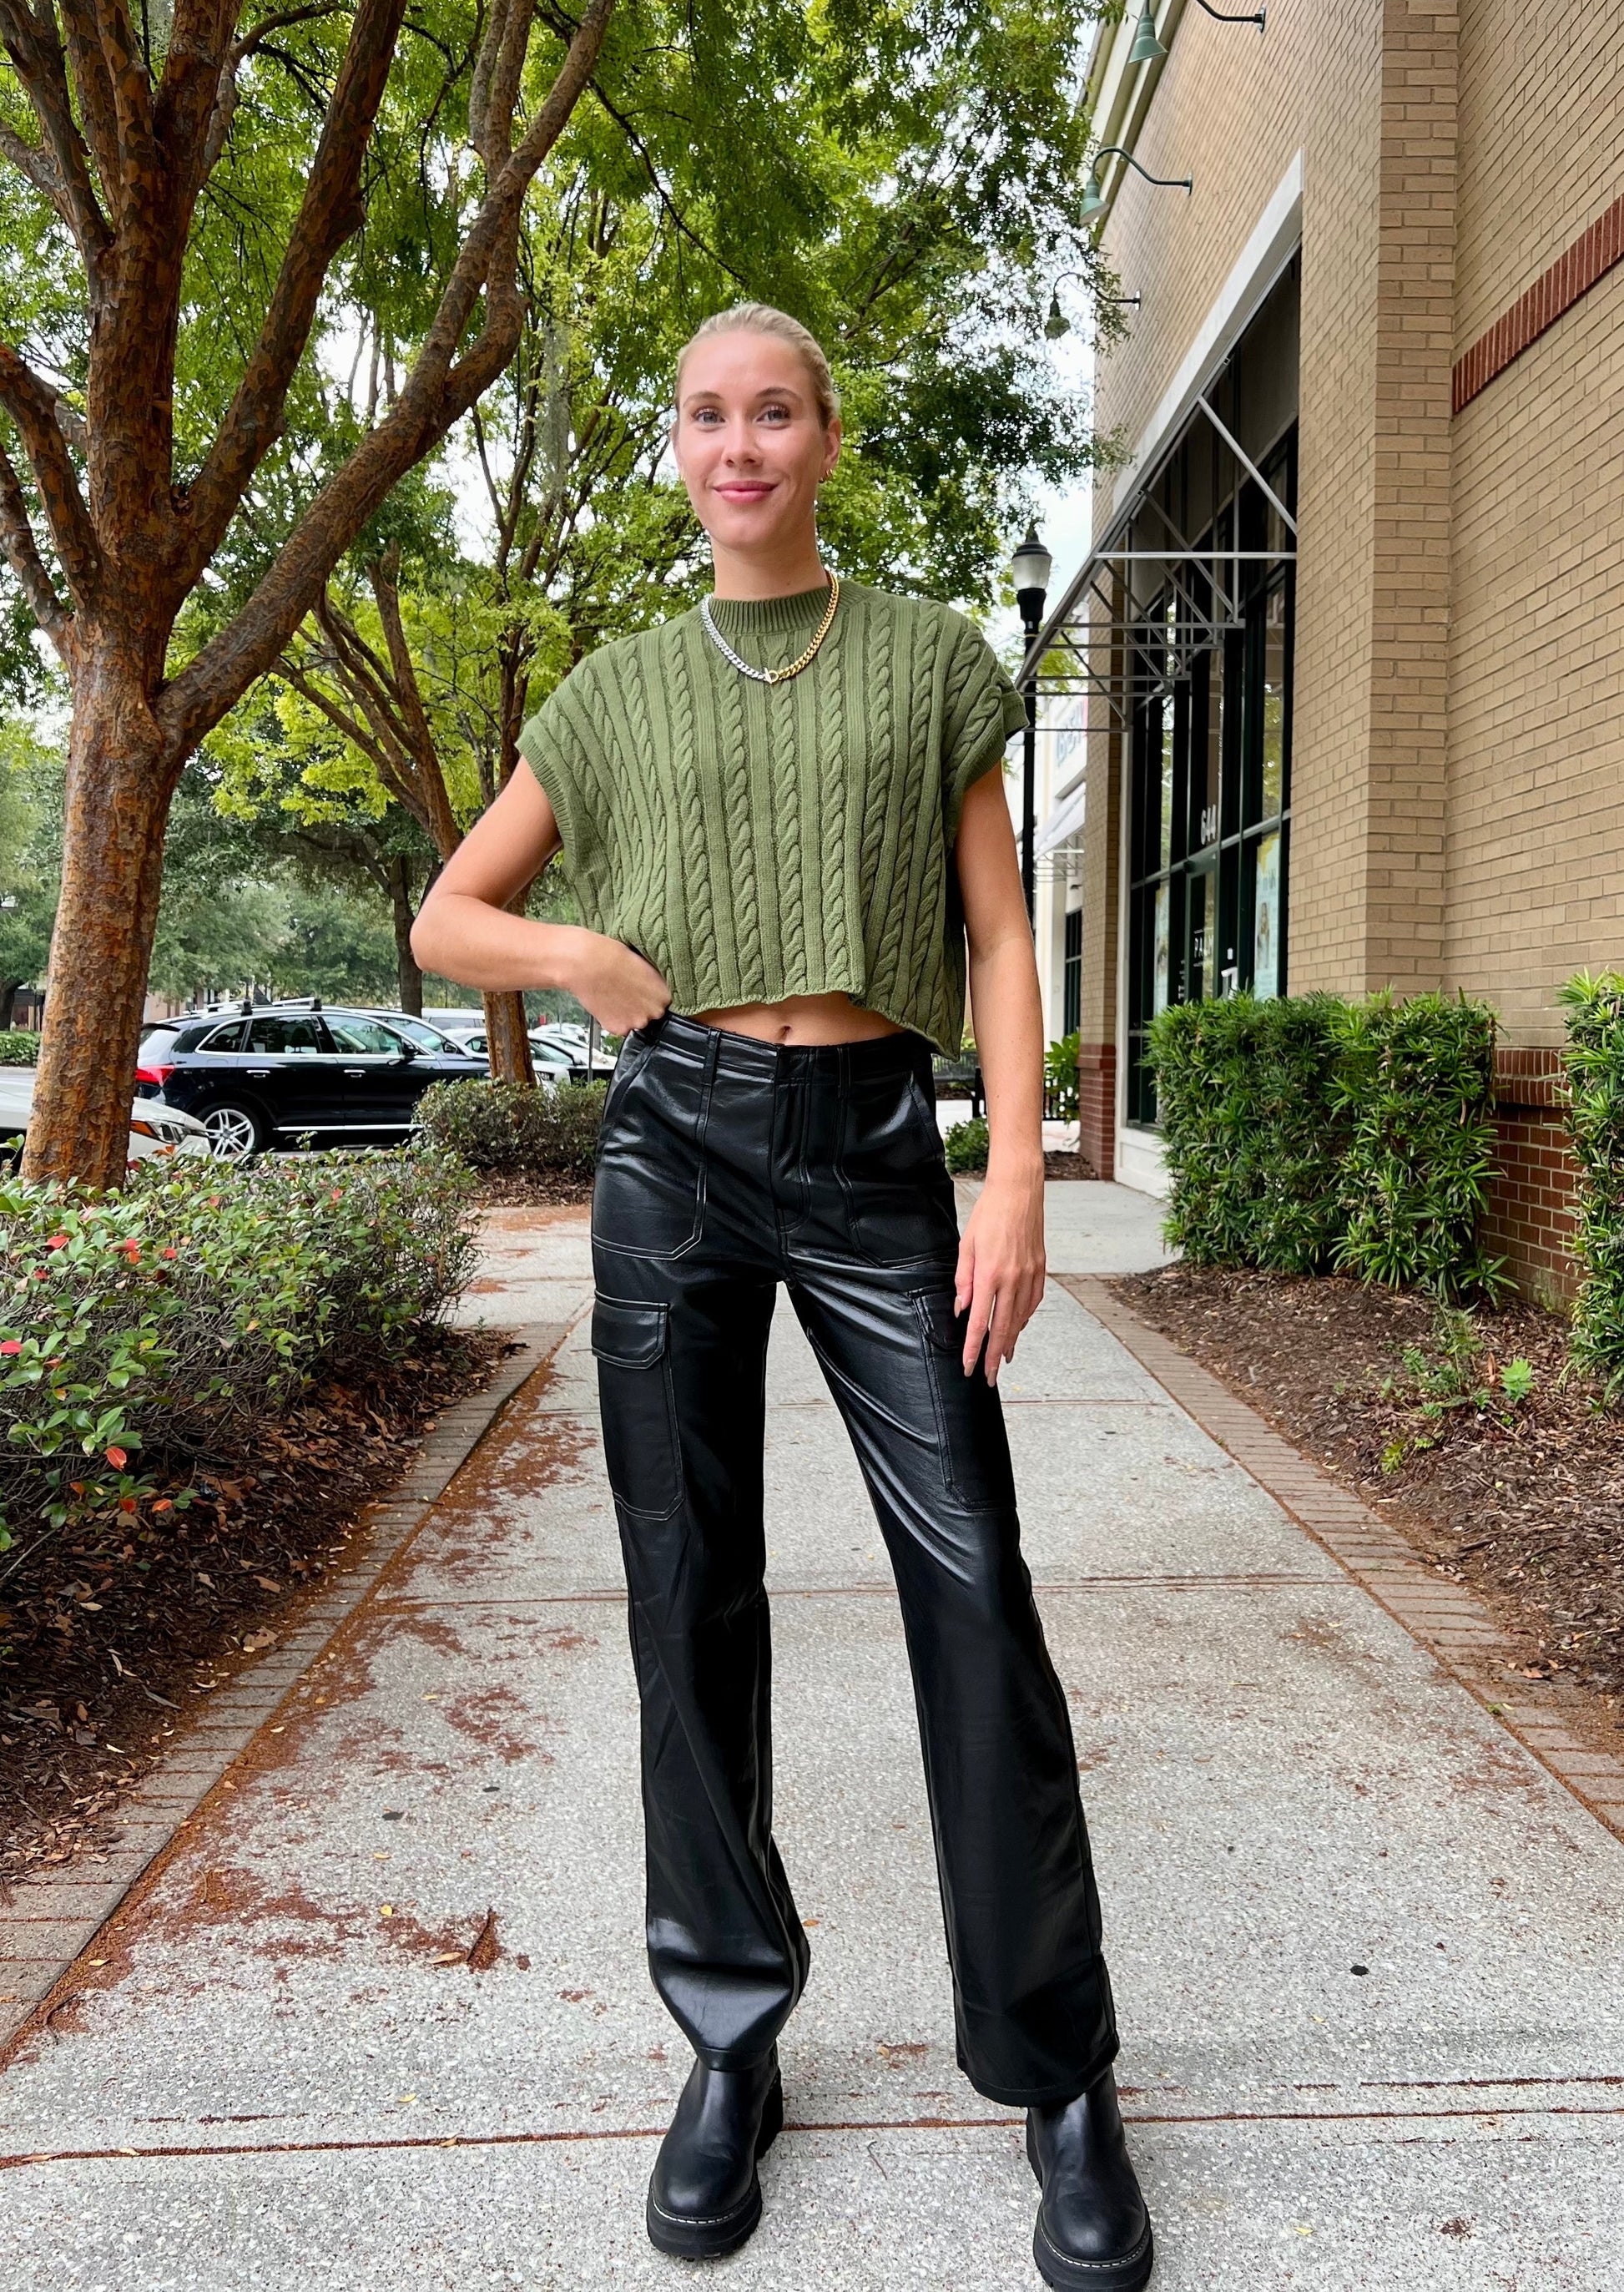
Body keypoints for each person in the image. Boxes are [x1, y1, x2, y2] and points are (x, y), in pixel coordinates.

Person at [411, 303, 1152, 2290]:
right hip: (672, 1148)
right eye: (705, 416)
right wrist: (581, 957)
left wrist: (1015, 1176)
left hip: (875, 1146)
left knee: (972, 1578)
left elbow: (998, 931)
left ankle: (1057, 2062)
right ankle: (731, 2036)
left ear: (825, 437)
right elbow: (447, 912)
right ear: (680, 448)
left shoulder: (925, 658)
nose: (736, 444)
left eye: (772, 412)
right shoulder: (613, 691)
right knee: (688, 1587)